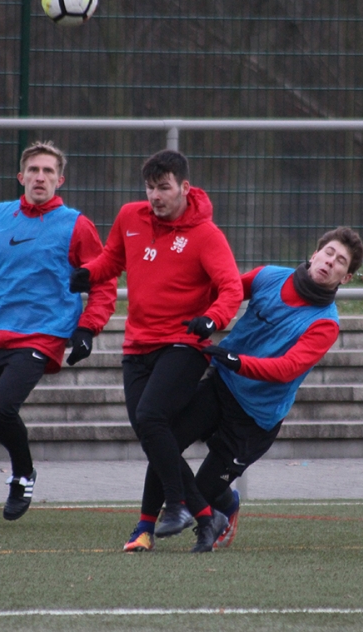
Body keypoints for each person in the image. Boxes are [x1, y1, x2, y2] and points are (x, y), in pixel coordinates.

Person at [127, 227, 363, 551]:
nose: (330, 262)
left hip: (254, 420)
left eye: (340, 262)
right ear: (314, 254)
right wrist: (204, 316)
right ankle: (143, 530)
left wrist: (237, 360)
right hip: (222, 385)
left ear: (345, 278)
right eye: (328, 253)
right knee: (163, 443)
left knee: (201, 492)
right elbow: (226, 293)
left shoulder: (325, 323)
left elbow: (287, 369)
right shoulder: (269, 277)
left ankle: (227, 504)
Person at [0, 141, 116, 528]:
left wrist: (88, 328)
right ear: (21, 177)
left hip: (41, 334)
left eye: (48, 171)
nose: (40, 177)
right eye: (33, 170)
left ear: (60, 180)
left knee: (0, 407)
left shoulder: (76, 225)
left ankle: (23, 473)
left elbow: (103, 281)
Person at [70, 149, 243, 552]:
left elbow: (232, 288)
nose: (155, 196)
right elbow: (112, 260)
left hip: (183, 344)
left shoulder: (207, 235)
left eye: (163, 188)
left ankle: (176, 506)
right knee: (151, 433)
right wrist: (88, 274)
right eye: (150, 188)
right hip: (137, 345)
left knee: (150, 418)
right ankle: (206, 517)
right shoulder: (130, 217)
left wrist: (212, 319)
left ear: (185, 187)